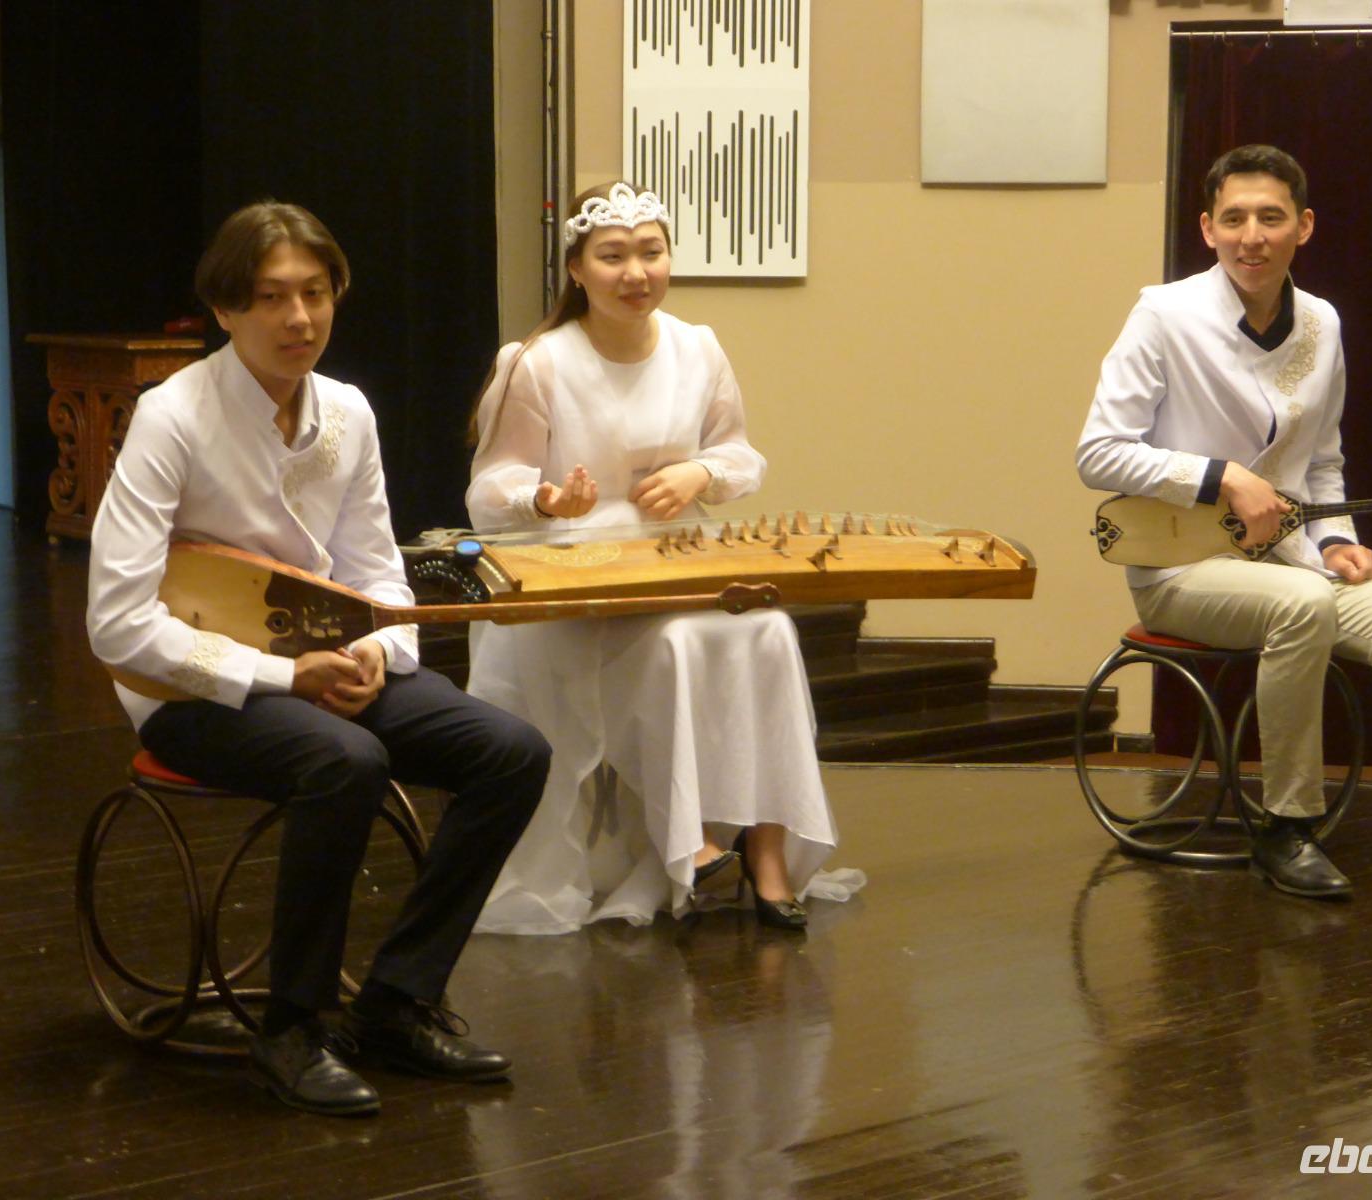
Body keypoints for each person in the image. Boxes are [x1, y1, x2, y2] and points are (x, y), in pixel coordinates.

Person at [87, 201, 552, 1116]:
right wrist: (281, 676)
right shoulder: (170, 417)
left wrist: (379, 649)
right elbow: (116, 625)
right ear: (225, 310)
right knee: (346, 761)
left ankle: (396, 1000)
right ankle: (291, 1028)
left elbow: (377, 571)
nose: (298, 318)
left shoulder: (348, 410)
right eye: (269, 298)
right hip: (193, 681)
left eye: (314, 292)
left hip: (325, 661)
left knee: (512, 751)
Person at [1075, 144, 1372, 921]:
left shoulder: (1323, 323)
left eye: (1270, 217)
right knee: (1299, 610)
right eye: (1233, 218)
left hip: (1295, 563)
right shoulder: (1163, 314)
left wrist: (1336, 541)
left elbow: (1323, 465)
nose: (1251, 236)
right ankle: (1288, 822)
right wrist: (1222, 476)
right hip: (1182, 571)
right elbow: (1098, 453)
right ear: (1207, 229)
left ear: (1304, 226)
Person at [464, 182, 859, 934]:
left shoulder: (696, 346)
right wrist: (545, 500)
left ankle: (766, 854)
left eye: (651, 252)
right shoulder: (539, 362)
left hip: (674, 558)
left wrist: (700, 474)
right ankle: (691, 838)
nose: (636, 272)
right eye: (613, 256)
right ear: (577, 269)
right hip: (577, 571)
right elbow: (490, 486)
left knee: (769, 630)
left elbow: (739, 451)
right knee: (676, 644)